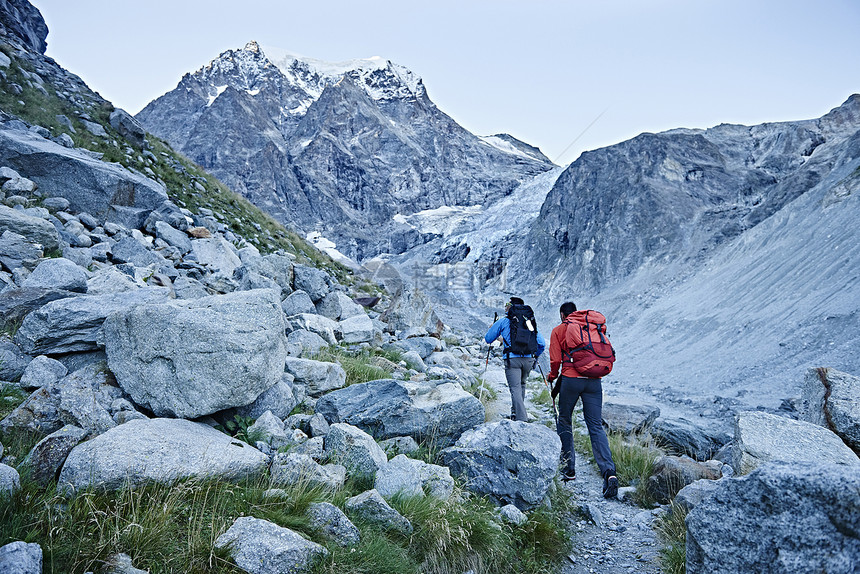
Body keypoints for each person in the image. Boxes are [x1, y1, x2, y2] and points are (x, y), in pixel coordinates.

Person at [547, 301, 618, 499]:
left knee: (565, 420)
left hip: (571, 380)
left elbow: (554, 361)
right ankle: (609, 472)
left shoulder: (559, 330)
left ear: (563, 314)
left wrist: (552, 377)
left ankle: (569, 469)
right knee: (595, 426)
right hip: (594, 382)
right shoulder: (592, 328)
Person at [484, 296, 546, 422]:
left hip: (512, 360)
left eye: (507, 304)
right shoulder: (529, 322)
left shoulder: (504, 321)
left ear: (511, 306)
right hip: (528, 360)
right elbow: (541, 343)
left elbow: (488, 339)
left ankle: (521, 419)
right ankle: (515, 413)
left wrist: (494, 329)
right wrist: (536, 356)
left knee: (515, 388)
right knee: (522, 385)